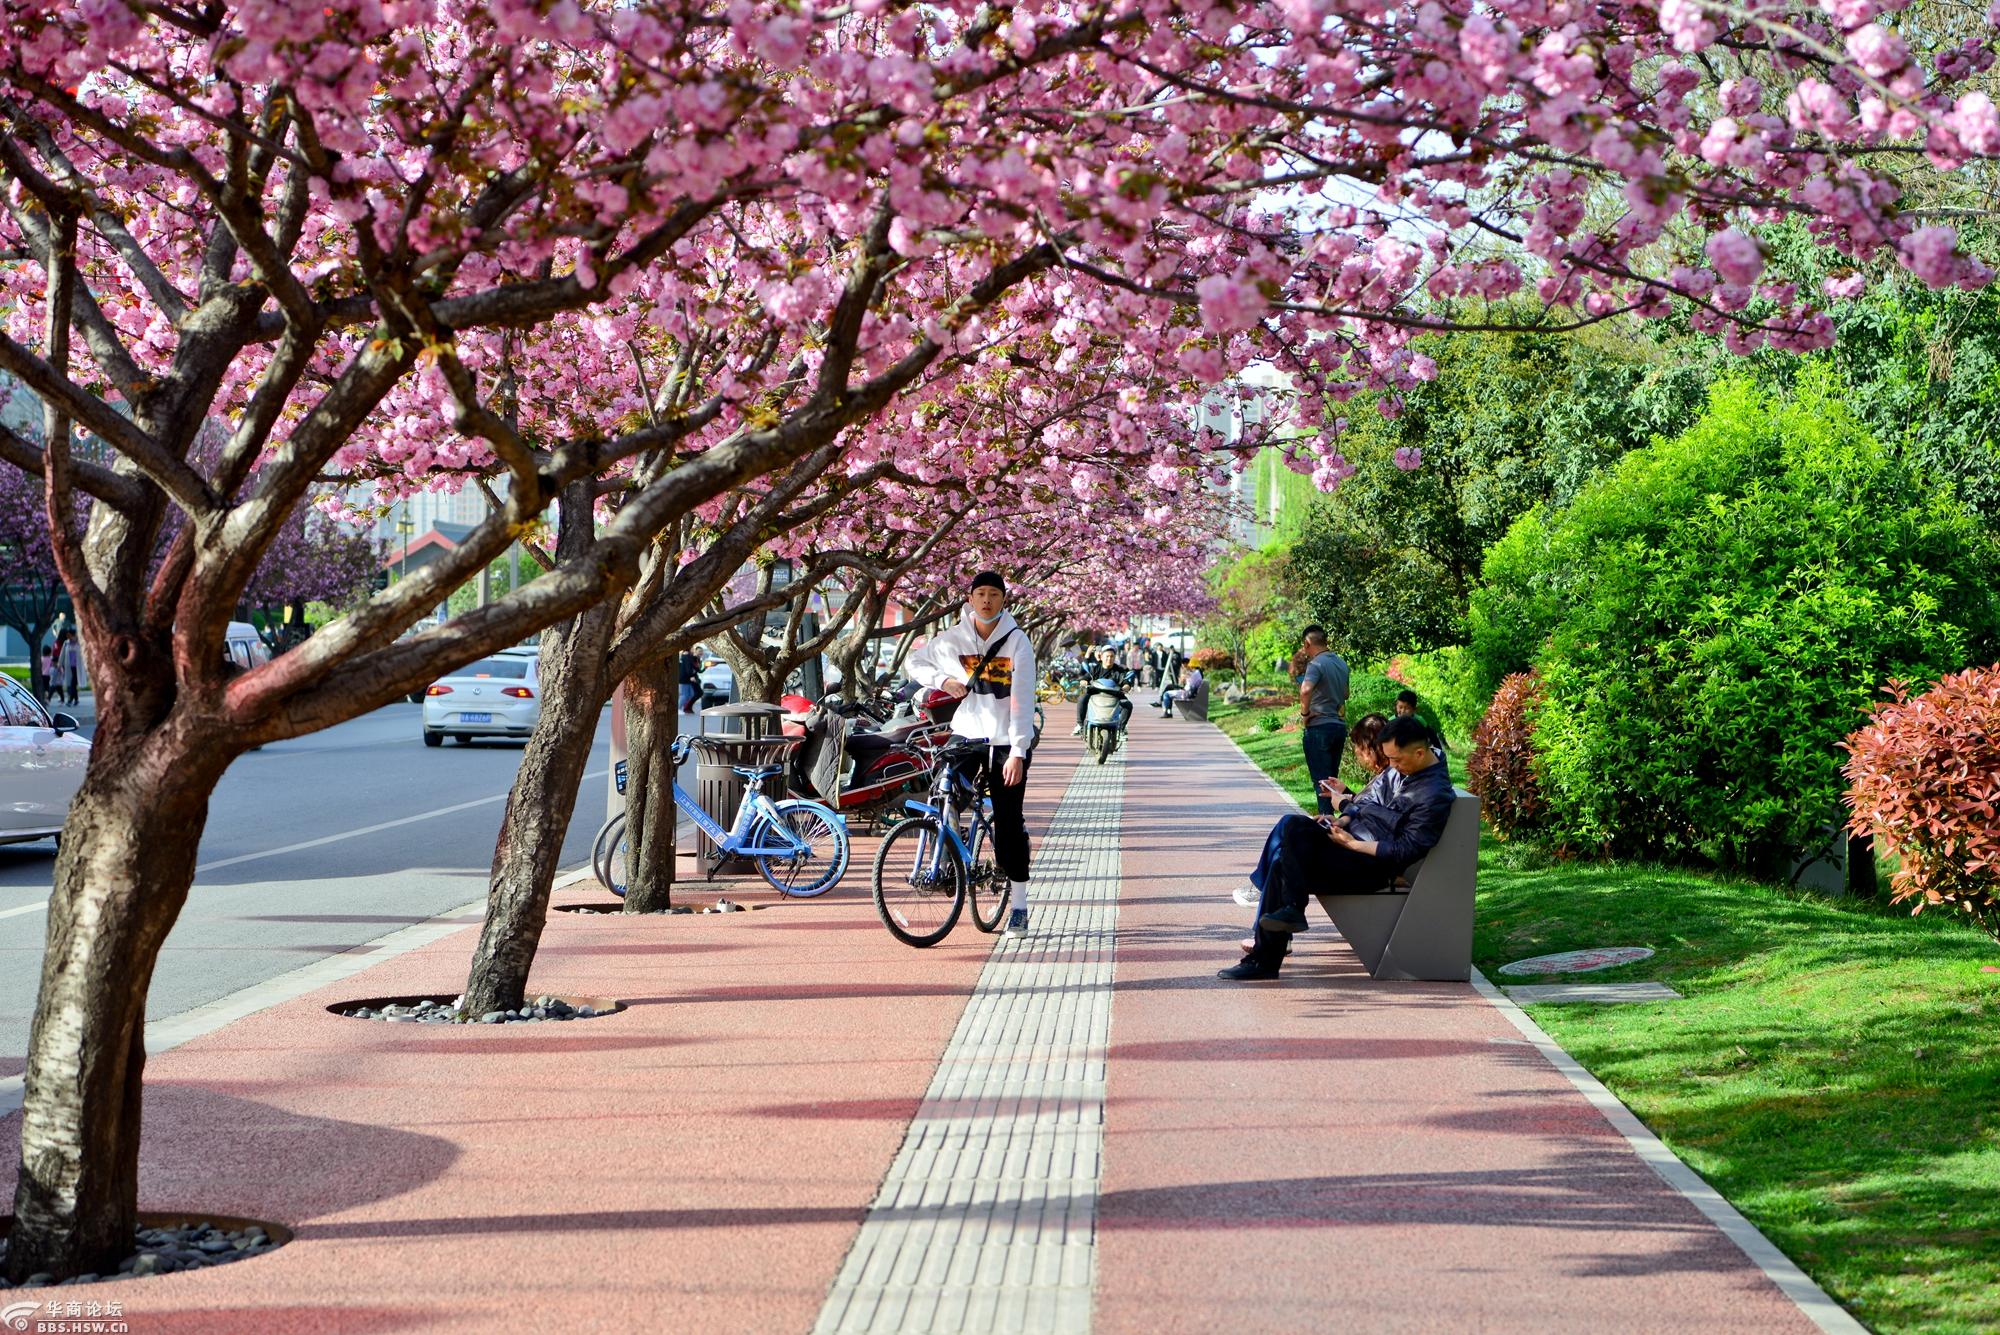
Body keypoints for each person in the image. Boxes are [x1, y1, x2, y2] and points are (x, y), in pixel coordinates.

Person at [1219, 716, 1456, 980]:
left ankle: (1269, 950)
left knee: (1286, 851)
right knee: (1292, 831)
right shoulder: (1399, 770)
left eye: (1396, 760)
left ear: (1420, 752)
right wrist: (1340, 820)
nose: (1391, 766)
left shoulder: (1433, 795)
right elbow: (1364, 803)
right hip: (1348, 846)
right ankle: (1284, 922)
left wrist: (1353, 843)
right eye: (1389, 759)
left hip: (1372, 867)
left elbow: (1405, 850)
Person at [908, 570, 1039, 937]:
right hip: (966, 737)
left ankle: (1019, 905)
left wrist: (1017, 751)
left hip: (1004, 742)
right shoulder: (952, 639)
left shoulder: (1017, 643)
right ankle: (948, 859)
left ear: (1003, 601)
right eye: (980, 594)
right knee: (943, 791)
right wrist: (943, 681)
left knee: (1009, 821)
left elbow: (1022, 702)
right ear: (969, 600)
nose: (986, 600)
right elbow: (915, 664)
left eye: (993, 594)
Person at [1231, 713, 1392, 910]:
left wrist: (1342, 806)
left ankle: (1267, 894)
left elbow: (1374, 816)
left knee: (1292, 829)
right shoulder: (1385, 776)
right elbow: (1370, 808)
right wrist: (1345, 794)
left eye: (1360, 748)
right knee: (1290, 833)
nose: (1357, 753)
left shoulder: (1392, 779)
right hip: (1349, 840)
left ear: (1372, 747)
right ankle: (1274, 913)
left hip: (1358, 853)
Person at [1296, 626, 1349, 816]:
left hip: (1319, 728)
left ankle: (1326, 828)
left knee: (1322, 783)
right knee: (1331, 781)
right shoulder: (1342, 663)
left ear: (1307, 643)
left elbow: (1305, 690)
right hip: (1338, 727)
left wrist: (1304, 715)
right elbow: (1345, 694)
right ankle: (1333, 824)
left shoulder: (1316, 664)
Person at [1071, 646, 1132, 736]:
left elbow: (1126, 683)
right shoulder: (1095, 669)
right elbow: (1085, 678)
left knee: (1128, 704)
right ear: (1102, 657)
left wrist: (1125, 687)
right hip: (1095, 693)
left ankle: (1121, 729)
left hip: (1115, 695)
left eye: (1112, 656)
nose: (1109, 659)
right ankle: (1080, 725)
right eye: (1107, 656)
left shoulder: (1119, 670)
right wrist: (1083, 681)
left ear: (1114, 658)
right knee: (1082, 698)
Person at [53, 630, 80, 706]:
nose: (69, 637)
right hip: (68, 667)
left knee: (72, 683)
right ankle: (76, 699)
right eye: (67, 635)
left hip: (77, 667)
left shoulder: (79, 643)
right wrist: (59, 664)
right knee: (72, 683)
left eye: (70, 635)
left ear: (74, 635)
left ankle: (70, 700)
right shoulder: (66, 643)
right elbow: (62, 654)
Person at [678, 649, 702, 713]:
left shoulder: (685, 656)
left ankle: (684, 707)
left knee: (691, 694)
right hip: (684, 679)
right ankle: (679, 708)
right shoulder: (687, 657)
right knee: (684, 695)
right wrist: (691, 675)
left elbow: (696, 668)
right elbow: (688, 668)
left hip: (686, 679)